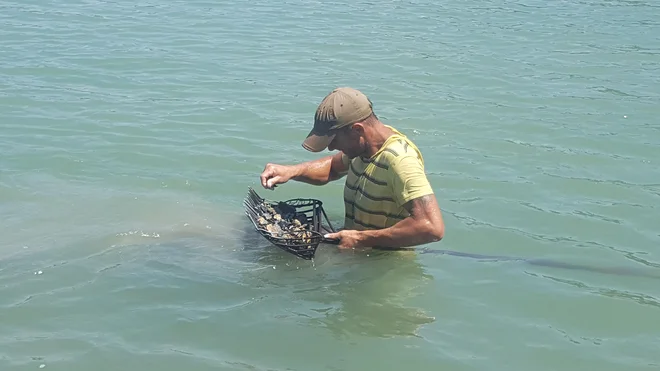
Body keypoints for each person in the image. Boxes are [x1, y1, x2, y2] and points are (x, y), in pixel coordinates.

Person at [260, 87, 445, 250]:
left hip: (384, 267)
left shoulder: (400, 160)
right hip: (356, 250)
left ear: (357, 130)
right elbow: (332, 168)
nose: (331, 148)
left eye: (334, 141)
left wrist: (360, 239)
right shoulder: (364, 148)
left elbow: (431, 227)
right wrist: (292, 171)